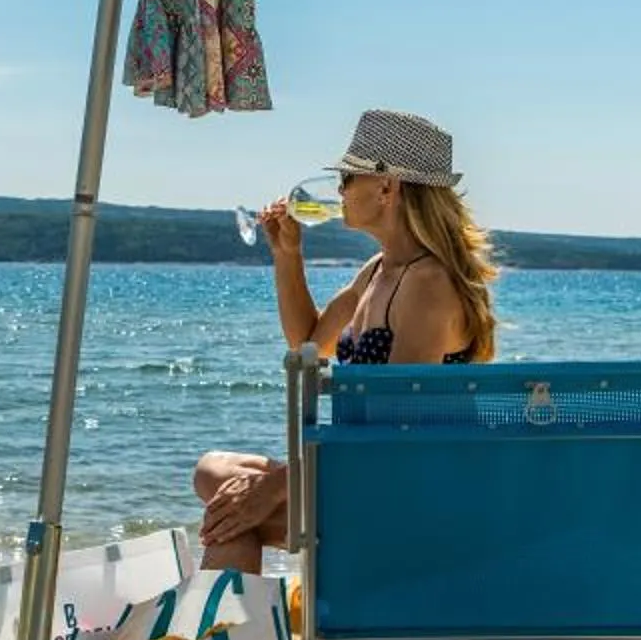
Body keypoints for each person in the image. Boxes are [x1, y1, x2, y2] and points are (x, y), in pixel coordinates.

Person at [196, 109, 500, 572]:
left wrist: (276, 487)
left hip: (412, 495)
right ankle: (235, 638)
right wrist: (287, 255)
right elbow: (309, 345)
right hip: (372, 475)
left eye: (345, 178)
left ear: (387, 187)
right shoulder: (379, 271)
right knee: (213, 473)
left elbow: (392, 427)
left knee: (235, 512)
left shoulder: (428, 285)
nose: (338, 191)